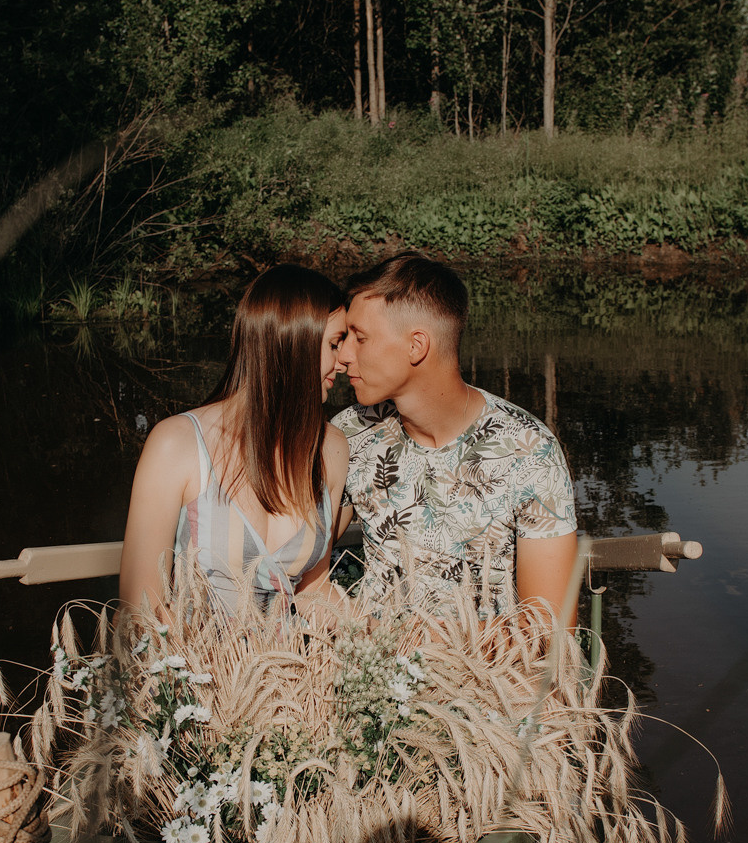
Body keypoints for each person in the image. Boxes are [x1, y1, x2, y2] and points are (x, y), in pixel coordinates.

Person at [331, 254, 579, 619]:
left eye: (360, 338)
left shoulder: (529, 451)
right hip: (372, 653)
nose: (343, 355)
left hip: (486, 655)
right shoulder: (348, 434)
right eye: (343, 338)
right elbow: (298, 557)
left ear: (416, 346)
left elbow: (550, 629)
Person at [119, 265, 352, 616]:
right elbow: (139, 608)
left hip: (291, 653)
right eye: (334, 344)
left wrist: (382, 632)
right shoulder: (177, 444)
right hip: (195, 652)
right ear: (293, 341)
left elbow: (312, 589)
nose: (344, 361)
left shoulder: (331, 449)